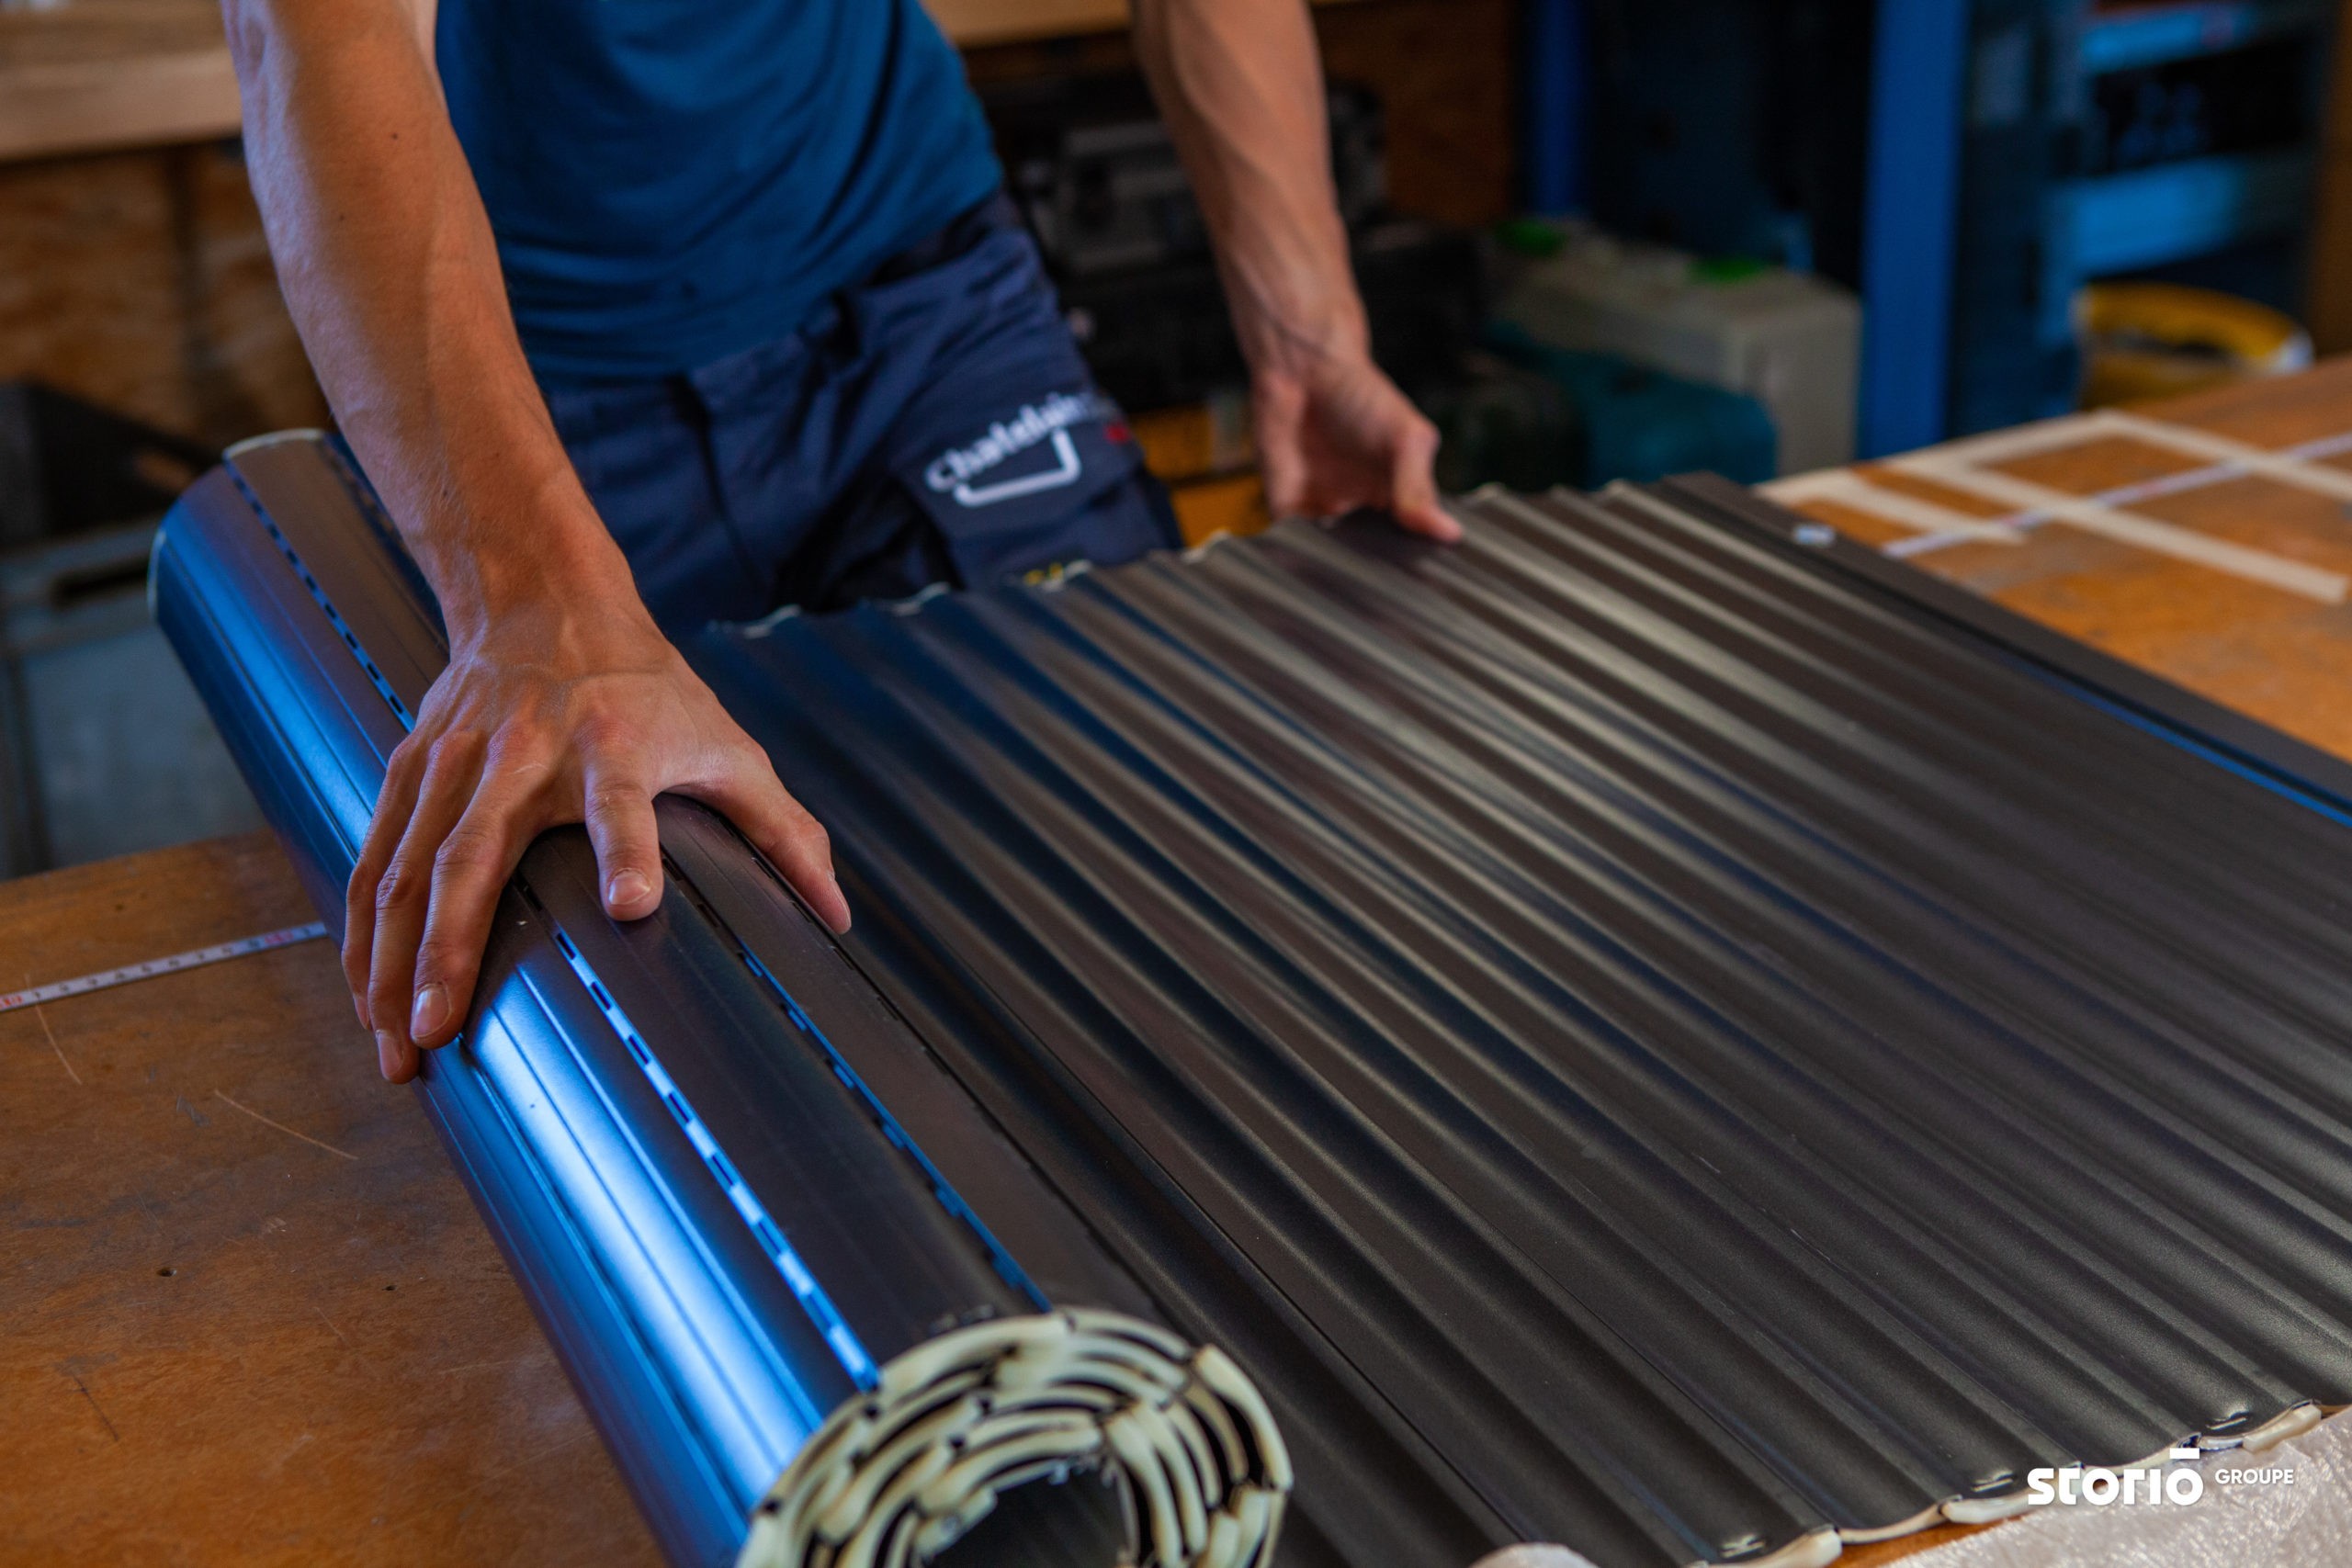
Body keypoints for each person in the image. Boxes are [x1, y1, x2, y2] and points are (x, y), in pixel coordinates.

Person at [222, 0, 1457, 1083]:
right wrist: (533, 600)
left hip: (920, 308)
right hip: (542, 395)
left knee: (1141, 859)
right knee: (645, 984)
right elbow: (319, 35)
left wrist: (1308, 344)